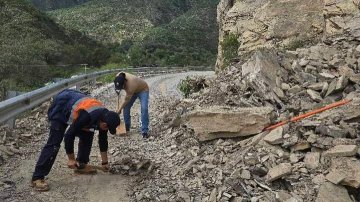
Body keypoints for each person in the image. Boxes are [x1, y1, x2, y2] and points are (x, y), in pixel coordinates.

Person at [31, 89, 120, 191]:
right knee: (54, 143)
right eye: (107, 128)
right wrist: (71, 159)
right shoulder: (87, 116)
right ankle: (37, 177)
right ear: (104, 124)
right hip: (61, 107)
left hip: (76, 106)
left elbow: (103, 140)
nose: (106, 130)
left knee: (88, 133)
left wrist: (105, 163)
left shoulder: (105, 117)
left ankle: (81, 165)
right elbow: (69, 135)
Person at [114, 72, 149, 138]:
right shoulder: (118, 77)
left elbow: (126, 100)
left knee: (144, 108)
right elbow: (118, 93)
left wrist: (119, 110)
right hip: (133, 90)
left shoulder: (131, 85)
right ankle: (126, 127)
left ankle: (145, 131)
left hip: (143, 90)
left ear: (125, 82)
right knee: (126, 108)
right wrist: (117, 107)